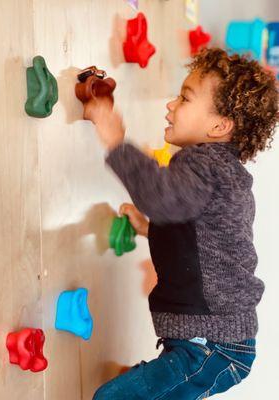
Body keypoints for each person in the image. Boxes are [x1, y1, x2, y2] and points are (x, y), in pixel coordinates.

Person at [85, 48, 278, 399]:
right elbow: (206, 236)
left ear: (219, 126)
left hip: (212, 347)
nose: (170, 105)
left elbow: (162, 198)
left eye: (185, 98)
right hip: (215, 344)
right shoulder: (221, 171)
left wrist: (115, 138)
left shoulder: (205, 164)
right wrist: (149, 227)